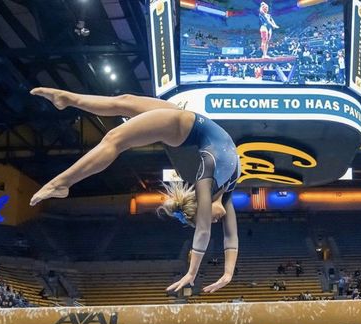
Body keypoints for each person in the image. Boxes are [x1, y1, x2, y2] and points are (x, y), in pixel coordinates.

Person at [29, 88, 240, 293]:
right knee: (123, 101)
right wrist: (210, 273)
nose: (214, 221)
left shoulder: (209, 179)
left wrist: (209, 273)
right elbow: (218, 233)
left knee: (115, 138)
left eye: (208, 219)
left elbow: (216, 233)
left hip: (182, 128)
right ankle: (67, 99)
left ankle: (62, 183)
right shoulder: (221, 188)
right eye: (210, 219)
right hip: (185, 122)